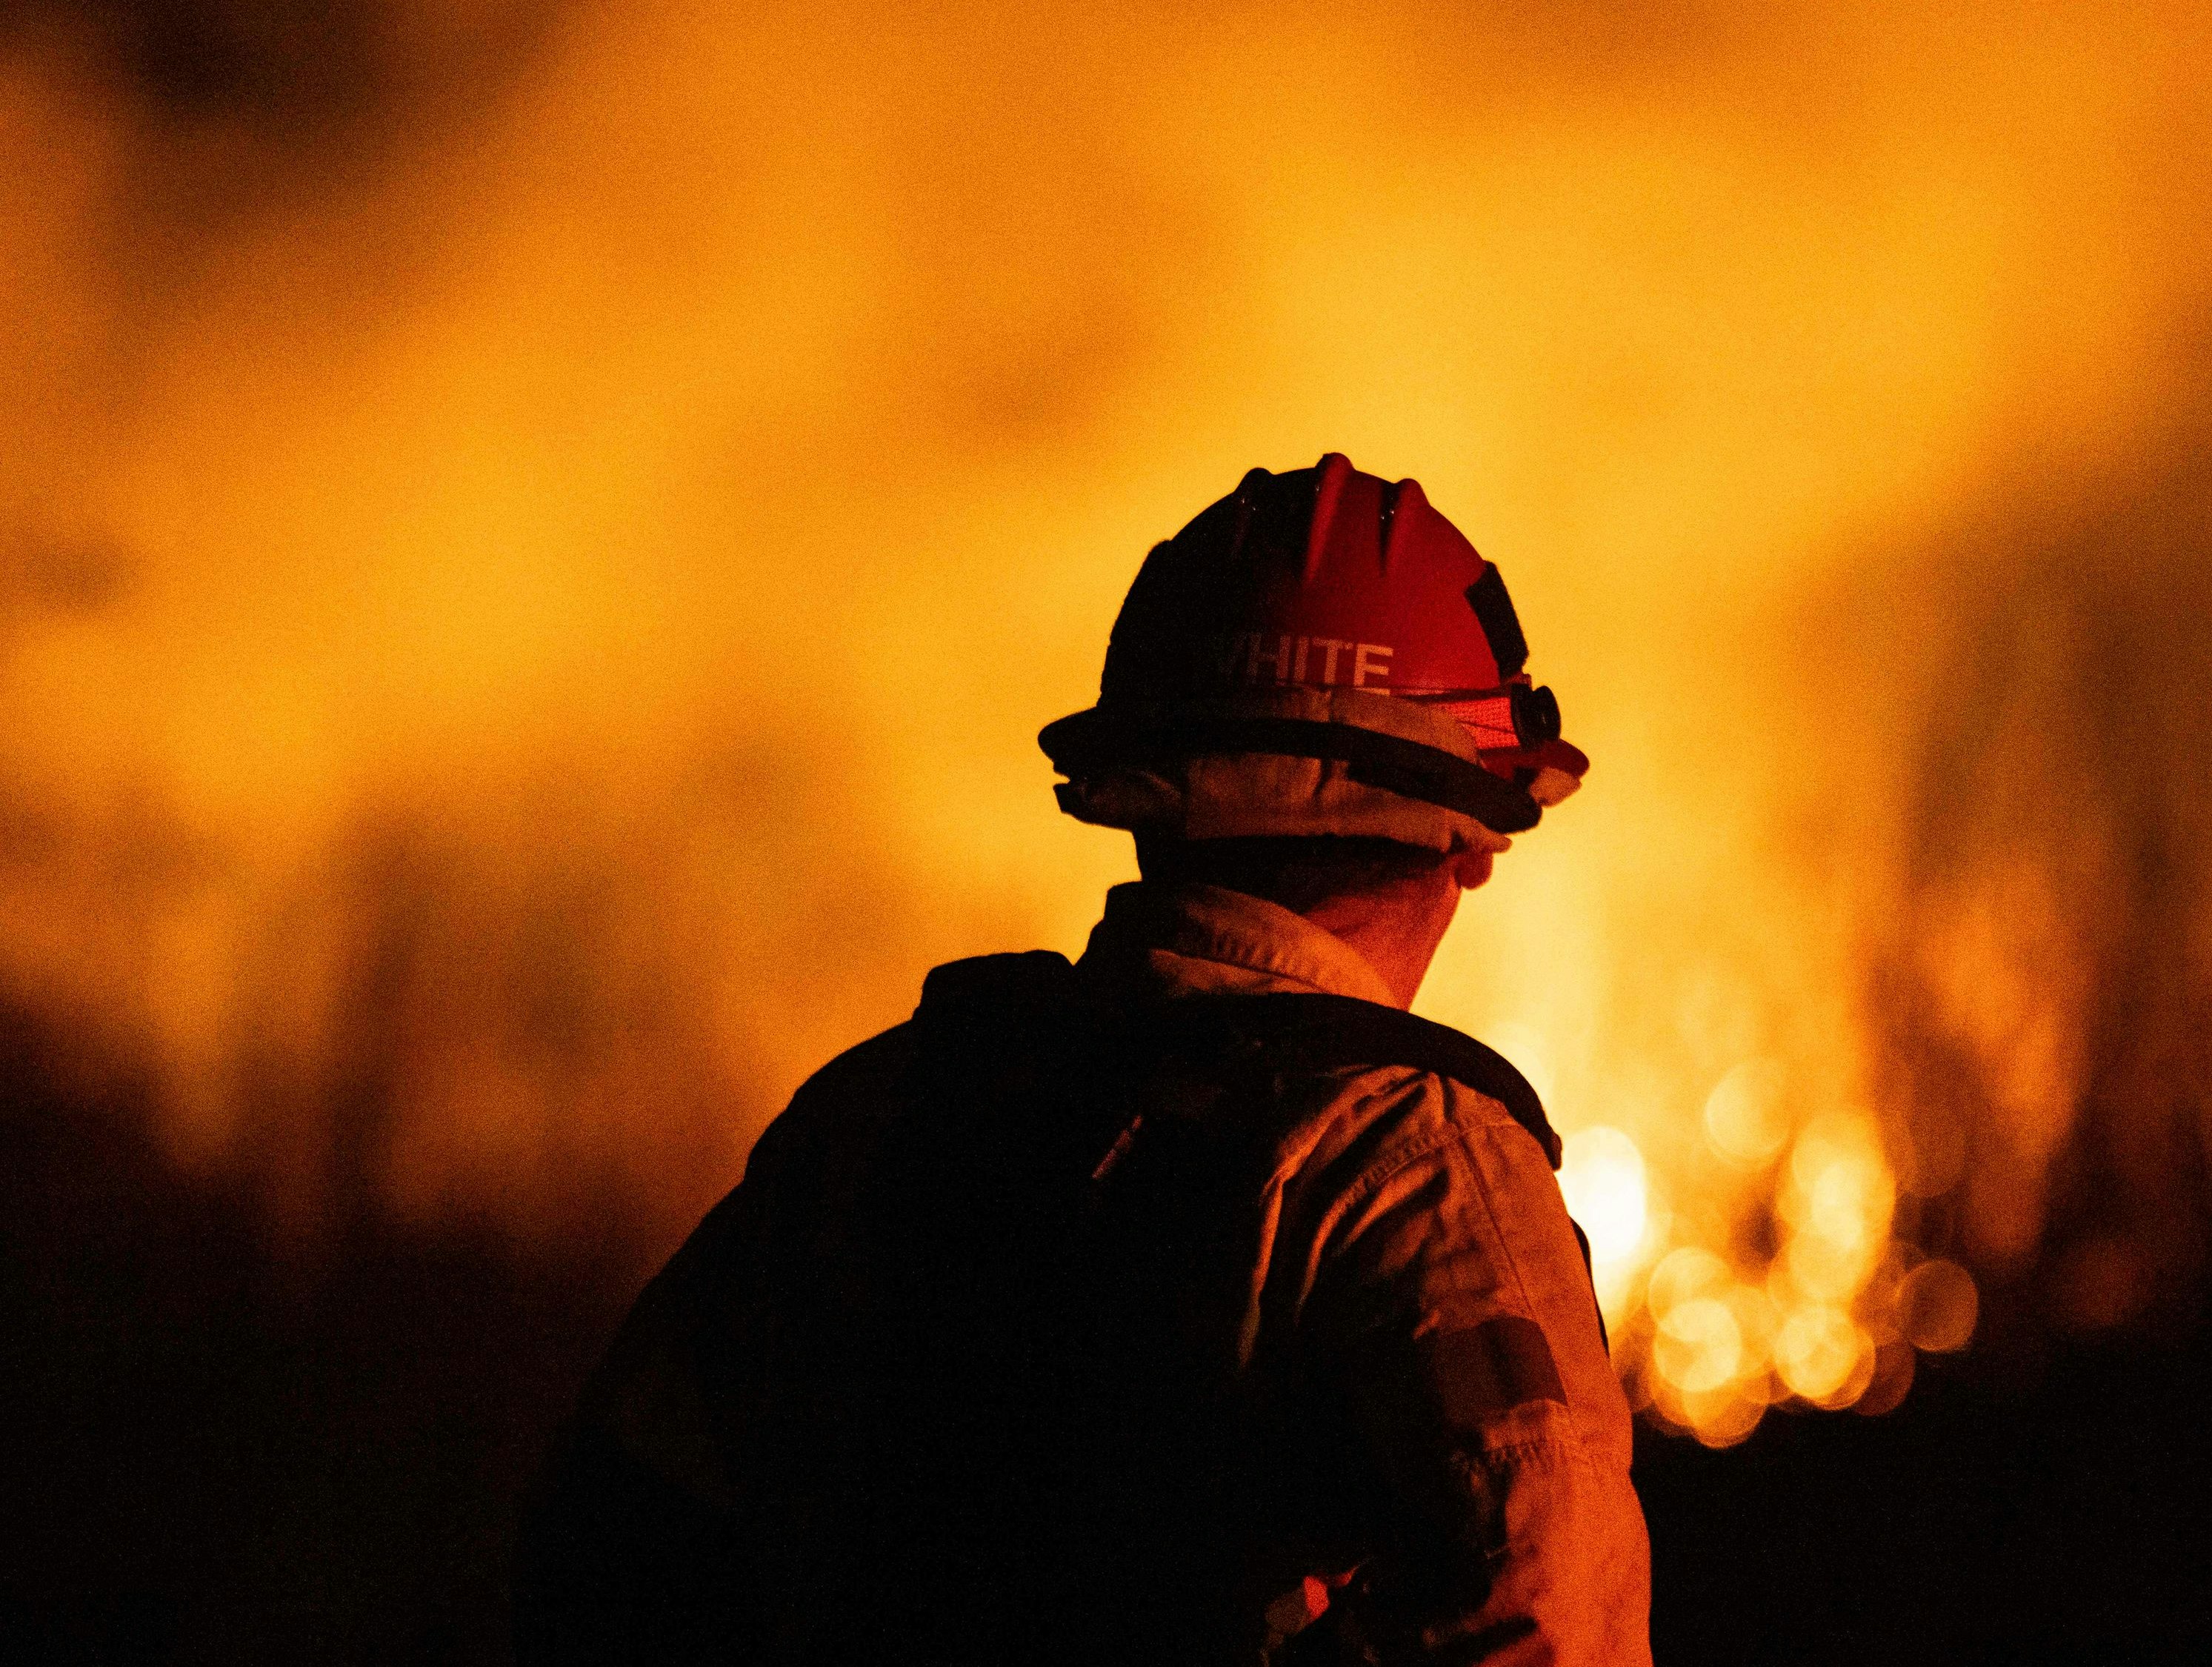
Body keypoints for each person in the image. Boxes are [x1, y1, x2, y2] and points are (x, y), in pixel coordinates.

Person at [516, 455, 1654, 1664]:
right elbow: (1551, 1616)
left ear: (1146, 797)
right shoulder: (1415, 1168)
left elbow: (609, 1539)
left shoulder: (883, 1112)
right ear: (1466, 837)